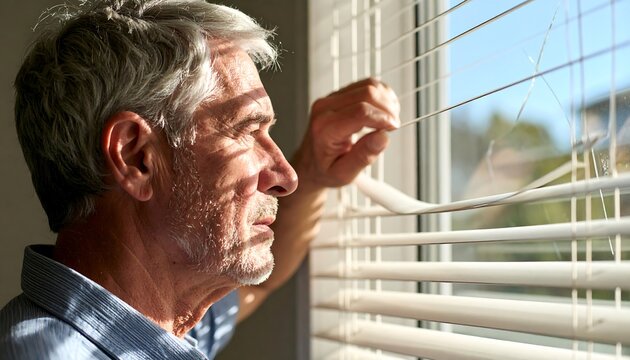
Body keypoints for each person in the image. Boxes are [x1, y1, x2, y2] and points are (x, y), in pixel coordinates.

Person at [0, 0, 400, 359]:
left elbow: (255, 288)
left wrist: (314, 171)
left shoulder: (152, 323)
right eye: (247, 130)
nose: (286, 177)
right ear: (136, 157)